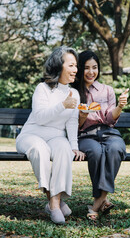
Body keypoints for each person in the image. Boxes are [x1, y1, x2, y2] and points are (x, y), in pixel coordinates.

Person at [16, 46, 85, 224]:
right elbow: (40, 117)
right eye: (71, 65)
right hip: (32, 135)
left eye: (76, 65)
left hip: (56, 137)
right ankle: (55, 203)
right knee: (40, 150)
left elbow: (71, 122)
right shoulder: (42, 88)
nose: (75, 70)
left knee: (64, 149)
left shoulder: (75, 93)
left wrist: (74, 146)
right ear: (58, 66)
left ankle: (53, 203)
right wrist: (62, 105)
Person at [72, 50, 128, 220]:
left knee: (116, 149)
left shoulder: (107, 90)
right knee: (95, 152)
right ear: (80, 69)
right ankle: (101, 200)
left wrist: (119, 106)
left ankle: (98, 202)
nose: (91, 72)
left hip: (108, 132)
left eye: (94, 68)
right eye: (86, 68)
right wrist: (82, 116)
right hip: (85, 136)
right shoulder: (74, 92)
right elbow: (73, 125)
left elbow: (110, 118)